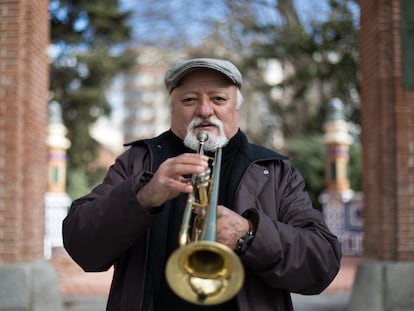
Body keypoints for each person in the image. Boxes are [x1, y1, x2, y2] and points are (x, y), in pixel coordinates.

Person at [62, 58, 341, 311]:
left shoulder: (275, 171)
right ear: (172, 108)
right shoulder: (138, 161)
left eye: (218, 99)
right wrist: (142, 196)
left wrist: (250, 232)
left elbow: (323, 263)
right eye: (189, 100)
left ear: (237, 109)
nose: (205, 110)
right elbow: (82, 246)